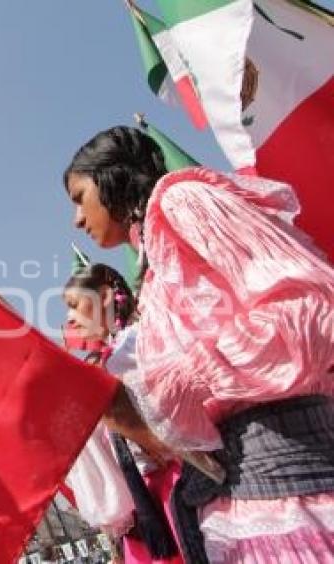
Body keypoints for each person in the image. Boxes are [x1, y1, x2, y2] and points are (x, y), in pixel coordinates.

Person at [62, 126, 334, 562]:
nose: (77, 219)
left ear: (111, 176)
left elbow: (306, 311)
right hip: (241, 495)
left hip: (291, 485)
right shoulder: (155, 250)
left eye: (79, 197)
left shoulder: (181, 199)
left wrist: (182, 378)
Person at [63, 260, 182, 563]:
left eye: (75, 305)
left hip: (175, 489)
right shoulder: (103, 362)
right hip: (142, 503)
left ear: (104, 297)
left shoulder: (141, 344)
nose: (70, 318)